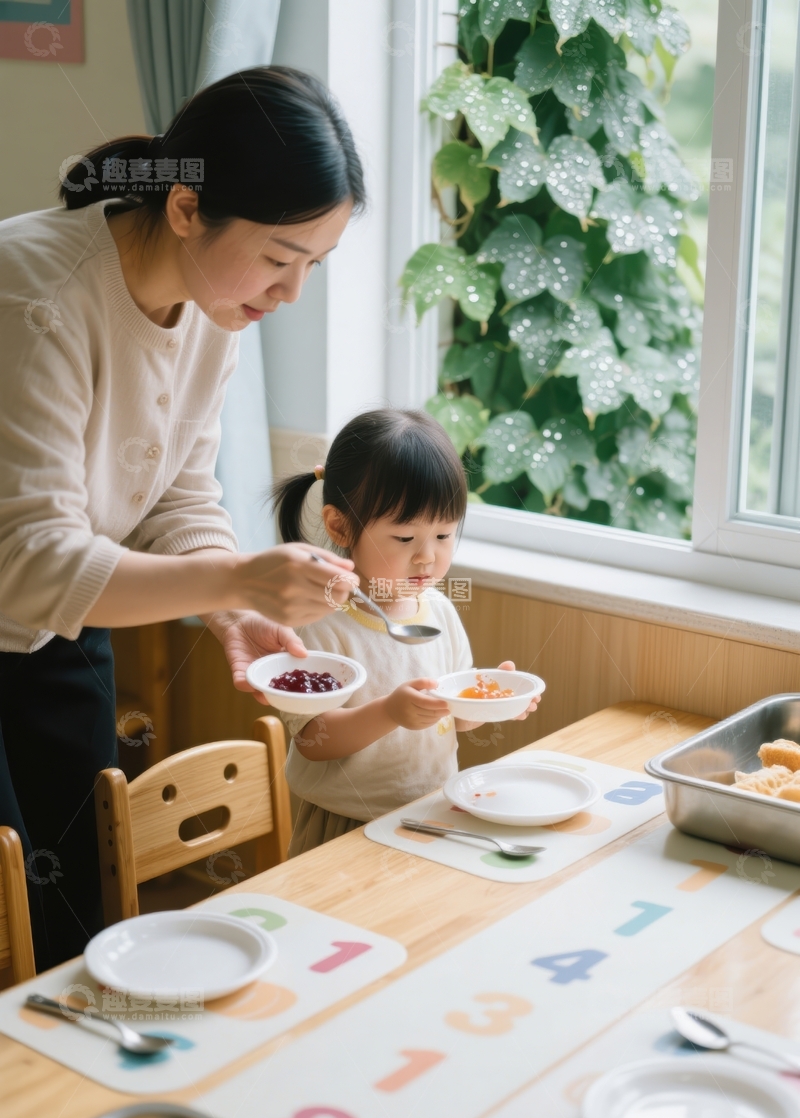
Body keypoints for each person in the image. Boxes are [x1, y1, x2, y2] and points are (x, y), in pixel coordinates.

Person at [0, 67, 364, 970]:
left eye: (312, 265)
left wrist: (229, 607)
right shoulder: (35, 294)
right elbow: (29, 560)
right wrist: (238, 577)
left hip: (60, 628)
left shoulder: (213, 307)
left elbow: (177, 493)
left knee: (77, 911)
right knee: (6, 922)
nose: (291, 292)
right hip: (40, 594)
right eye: (279, 258)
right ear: (187, 207)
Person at [270, 409, 541, 856]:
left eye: (444, 535)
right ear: (340, 526)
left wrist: (492, 702)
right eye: (404, 538)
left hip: (432, 814)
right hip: (345, 827)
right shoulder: (318, 621)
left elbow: (457, 716)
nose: (427, 557)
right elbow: (312, 740)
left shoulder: (440, 610)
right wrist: (390, 712)